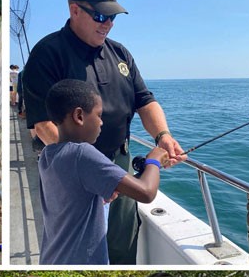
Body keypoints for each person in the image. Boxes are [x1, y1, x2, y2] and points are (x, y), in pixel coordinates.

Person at [22, 0, 185, 264]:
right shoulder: (47, 53)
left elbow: (144, 101)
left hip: (119, 161)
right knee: (77, 244)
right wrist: (87, 168)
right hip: (75, 171)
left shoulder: (121, 54)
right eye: (100, 16)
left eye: (113, 17)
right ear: (74, 10)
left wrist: (163, 137)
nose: (108, 24)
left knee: (121, 242)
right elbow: (42, 125)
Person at [39, 79, 168, 265]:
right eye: (99, 115)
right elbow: (146, 192)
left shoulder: (48, 154)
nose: (101, 123)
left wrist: (104, 193)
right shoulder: (81, 153)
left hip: (53, 257)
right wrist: (155, 160)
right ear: (79, 116)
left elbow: (74, 192)